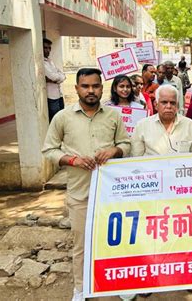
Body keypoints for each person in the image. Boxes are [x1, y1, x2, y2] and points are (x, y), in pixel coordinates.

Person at [42, 68, 131, 301]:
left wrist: (114, 150)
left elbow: (126, 143)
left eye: (95, 86)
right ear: (77, 88)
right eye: (85, 86)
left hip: (111, 194)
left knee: (115, 241)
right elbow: (49, 150)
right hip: (80, 194)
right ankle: (81, 289)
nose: (91, 91)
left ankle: (117, 283)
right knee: (81, 245)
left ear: (102, 88)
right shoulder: (62, 117)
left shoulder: (113, 116)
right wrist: (73, 160)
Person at [131, 85, 192, 156]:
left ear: (177, 105)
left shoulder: (189, 125)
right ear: (156, 105)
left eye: (172, 103)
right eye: (164, 102)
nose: (169, 106)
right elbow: (135, 158)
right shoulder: (142, 126)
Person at [43, 38, 66, 122]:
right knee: (54, 120)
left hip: (59, 94)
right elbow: (53, 76)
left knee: (61, 117)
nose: (48, 50)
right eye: (45, 48)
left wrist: (57, 78)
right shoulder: (41, 62)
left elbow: (63, 75)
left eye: (49, 48)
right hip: (51, 96)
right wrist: (56, 78)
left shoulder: (50, 61)